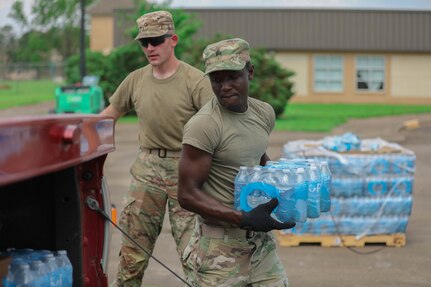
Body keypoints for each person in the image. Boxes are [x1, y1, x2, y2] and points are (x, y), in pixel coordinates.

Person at [100, 10, 214, 286]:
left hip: (187, 169)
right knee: (132, 251)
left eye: (156, 40)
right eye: (144, 43)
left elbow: (218, 126)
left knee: (194, 252)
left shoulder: (195, 80)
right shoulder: (135, 80)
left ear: (172, 39)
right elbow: (106, 118)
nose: (150, 48)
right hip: (146, 169)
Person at [178, 38, 295, 287]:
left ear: (249, 72)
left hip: (260, 247)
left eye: (232, 77)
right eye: (217, 79)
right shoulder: (204, 125)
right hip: (218, 251)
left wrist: (286, 188)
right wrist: (243, 217)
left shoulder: (264, 113)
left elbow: (257, 157)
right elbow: (187, 194)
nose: (225, 87)